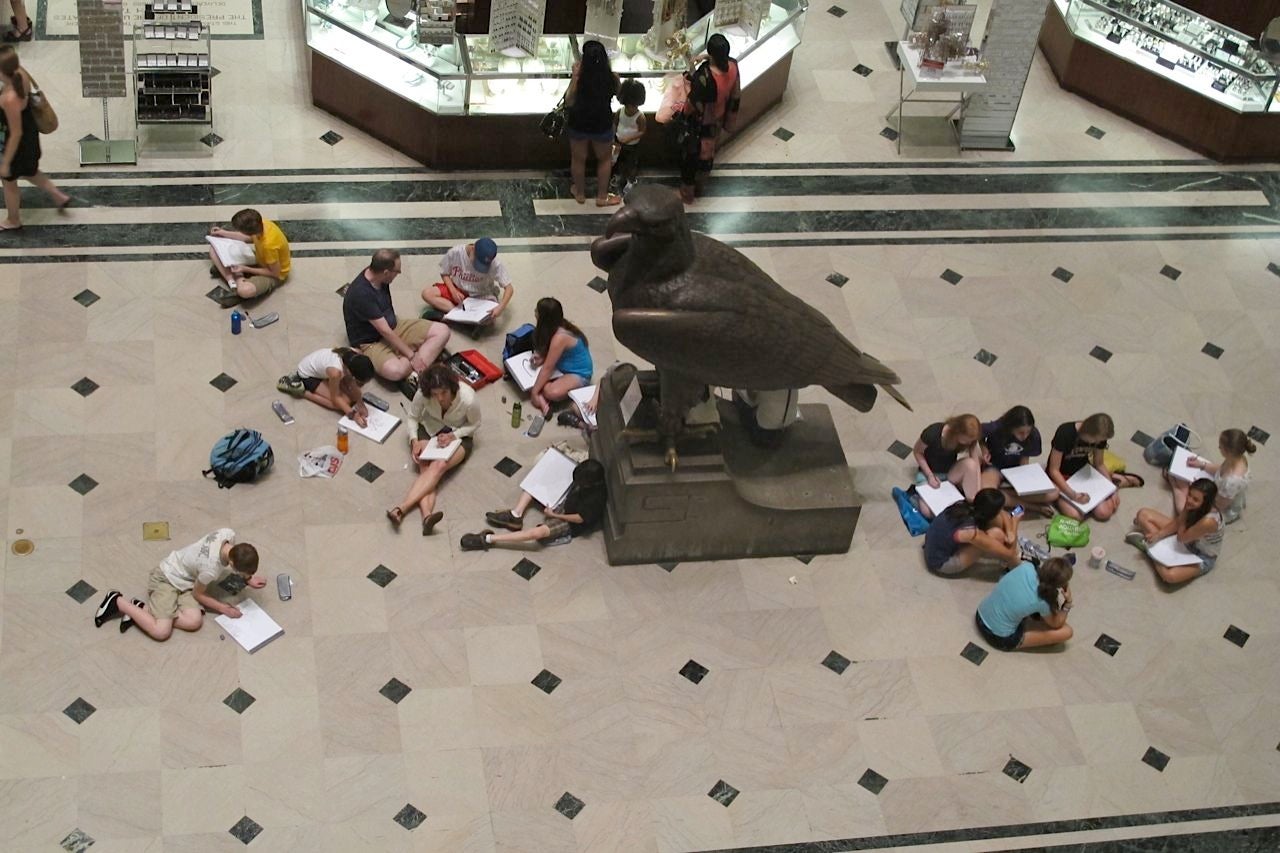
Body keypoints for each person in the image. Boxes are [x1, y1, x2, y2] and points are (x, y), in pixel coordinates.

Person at [93, 529, 264, 641]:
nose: (244, 577)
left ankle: (141, 609)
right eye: (242, 574)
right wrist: (223, 608)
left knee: (194, 622)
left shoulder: (227, 534)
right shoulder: (210, 569)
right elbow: (199, 595)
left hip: (188, 581)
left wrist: (248, 578)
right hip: (165, 579)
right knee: (161, 632)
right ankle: (117, 601)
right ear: (232, 564)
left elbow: (236, 559)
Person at [386, 364, 480, 535]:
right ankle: (427, 516)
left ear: (451, 387)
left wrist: (455, 435)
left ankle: (401, 508)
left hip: (459, 435)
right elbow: (413, 417)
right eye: (435, 395)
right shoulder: (423, 394)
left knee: (439, 466)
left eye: (444, 393)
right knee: (424, 465)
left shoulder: (468, 398)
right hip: (429, 427)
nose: (440, 399)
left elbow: (474, 424)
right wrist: (414, 440)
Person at [343, 248, 451, 395]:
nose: (398, 275)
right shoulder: (362, 294)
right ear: (386, 272)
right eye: (397, 271)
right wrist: (412, 356)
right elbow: (384, 331)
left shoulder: (379, 276)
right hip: (371, 342)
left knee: (443, 331)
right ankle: (420, 359)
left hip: (394, 325)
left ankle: (413, 368)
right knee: (395, 371)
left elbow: (388, 328)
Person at [461, 459, 607, 550]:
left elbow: (579, 518)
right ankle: (516, 514)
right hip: (567, 501)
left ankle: (488, 539)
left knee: (538, 533)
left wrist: (554, 515)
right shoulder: (584, 480)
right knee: (536, 484)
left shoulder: (596, 497)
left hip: (571, 520)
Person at [0, 46, 71, 230]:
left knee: (9, 182)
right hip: (30, 134)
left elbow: (15, 133)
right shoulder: (21, 73)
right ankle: (58, 196)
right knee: (30, 170)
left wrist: (6, 162)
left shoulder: (9, 98)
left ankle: (13, 220)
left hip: (15, 143)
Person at [678, 33, 740, 205]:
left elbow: (692, 104)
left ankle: (687, 194)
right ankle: (700, 186)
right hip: (717, 119)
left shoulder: (704, 76)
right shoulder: (733, 65)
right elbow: (735, 94)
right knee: (707, 154)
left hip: (700, 124)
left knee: (691, 159)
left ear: (710, 53)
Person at [1127, 478, 1224, 585]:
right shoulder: (1192, 505)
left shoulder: (1208, 522)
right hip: (1187, 535)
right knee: (1143, 515)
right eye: (1189, 495)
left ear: (1205, 503)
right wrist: (1158, 535)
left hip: (1200, 555)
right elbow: (1178, 522)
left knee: (1169, 576)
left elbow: (1181, 537)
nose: (1189, 500)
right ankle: (1154, 547)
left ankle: (1149, 549)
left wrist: (1186, 512)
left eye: (1195, 499)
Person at [565, 39, 621, 207]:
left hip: (578, 122)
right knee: (604, 160)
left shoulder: (580, 78)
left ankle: (580, 194)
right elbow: (619, 95)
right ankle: (602, 197)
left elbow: (569, 100)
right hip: (602, 123)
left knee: (578, 159)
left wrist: (575, 77)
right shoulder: (612, 77)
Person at [975, 557, 1074, 651]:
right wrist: (1067, 604)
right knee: (1067, 632)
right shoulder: (1043, 601)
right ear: (1060, 585)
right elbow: (1056, 624)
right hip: (998, 637)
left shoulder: (1027, 567)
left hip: (980, 614)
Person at [1047, 413, 1131, 521]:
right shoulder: (1065, 432)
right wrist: (1072, 494)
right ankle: (1061, 499)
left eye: (1100, 441)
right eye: (1095, 440)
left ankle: (1116, 478)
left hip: (1084, 473)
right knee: (1076, 516)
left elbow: (1099, 464)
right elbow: (1054, 470)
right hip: (1062, 476)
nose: (1097, 443)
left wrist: (1111, 489)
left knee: (1104, 513)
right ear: (1087, 431)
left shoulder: (1100, 438)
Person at [979, 405, 1058, 516]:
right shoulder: (996, 427)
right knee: (985, 493)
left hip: (1017, 469)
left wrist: (1023, 481)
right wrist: (983, 447)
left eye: (1028, 432)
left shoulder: (1034, 435)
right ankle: (1032, 506)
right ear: (1011, 427)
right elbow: (977, 432)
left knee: (1053, 493)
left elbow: (1024, 459)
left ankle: (1002, 495)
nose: (1024, 436)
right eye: (1021, 432)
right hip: (995, 466)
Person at [922, 488, 1021, 576]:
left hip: (934, 545)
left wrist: (1009, 532)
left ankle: (1011, 558)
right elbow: (1009, 554)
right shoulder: (971, 532)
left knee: (999, 521)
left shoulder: (964, 504)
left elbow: (1002, 513)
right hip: (942, 563)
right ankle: (1011, 567)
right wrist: (1015, 524)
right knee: (997, 535)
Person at [1169, 428, 1252, 524]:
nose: (1218, 448)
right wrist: (1202, 465)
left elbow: (1218, 506)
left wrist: (1198, 499)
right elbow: (1221, 469)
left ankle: (1175, 487)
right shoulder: (1237, 457)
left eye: (1220, 447)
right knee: (1183, 481)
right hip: (1218, 490)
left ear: (1228, 452)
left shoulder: (1232, 481)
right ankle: (1180, 486)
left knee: (1182, 508)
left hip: (1219, 507)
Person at [421, 237, 514, 322]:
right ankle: (461, 317)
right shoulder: (455, 252)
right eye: (477, 262)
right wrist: (453, 291)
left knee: (490, 317)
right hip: (457, 289)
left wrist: (500, 308)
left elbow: (509, 288)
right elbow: (444, 273)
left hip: (480, 295)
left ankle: (451, 317)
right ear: (473, 248)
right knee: (427, 293)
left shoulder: (495, 263)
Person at [277, 347, 375, 425]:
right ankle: (300, 391)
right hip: (308, 376)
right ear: (350, 372)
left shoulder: (355, 354)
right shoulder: (335, 373)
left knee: (351, 396)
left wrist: (360, 404)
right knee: (341, 403)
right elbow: (335, 397)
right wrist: (354, 416)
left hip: (322, 369)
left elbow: (352, 385)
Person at [529, 297, 593, 415]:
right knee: (543, 382)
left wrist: (534, 392)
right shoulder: (555, 327)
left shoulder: (560, 337)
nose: (535, 313)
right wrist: (542, 357)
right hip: (565, 363)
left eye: (537, 311)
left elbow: (547, 368)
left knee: (550, 391)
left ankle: (545, 400)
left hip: (579, 373)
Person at [208, 208, 291, 299]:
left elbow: (275, 273)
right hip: (261, 258)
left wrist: (245, 269)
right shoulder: (262, 223)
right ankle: (231, 281)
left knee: (245, 291)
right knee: (214, 249)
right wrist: (223, 233)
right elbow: (248, 237)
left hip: (274, 274)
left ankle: (237, 280)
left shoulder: (269, 246)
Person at [913, 414, 983, 517]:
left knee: (971, 464)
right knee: (927, 512)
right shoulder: (933, 432)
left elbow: (975, 463)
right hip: (929, 472)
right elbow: (917, 452)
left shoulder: (970, 440)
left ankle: (972, 505)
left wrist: (978, 490)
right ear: (957, 431)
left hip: (950, 471)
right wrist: (930, 475)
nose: (968, 443)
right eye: (966, 439)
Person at [611, 79, 647, 194]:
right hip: (619, 143)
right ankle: (620, 178)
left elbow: (642, 131)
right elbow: (615, 124)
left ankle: (631, 181)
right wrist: (614, 138)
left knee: (631, 164)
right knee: (619, 162)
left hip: (632, 146)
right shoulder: (619, 112)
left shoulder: (640, 116)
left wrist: (629, 138)